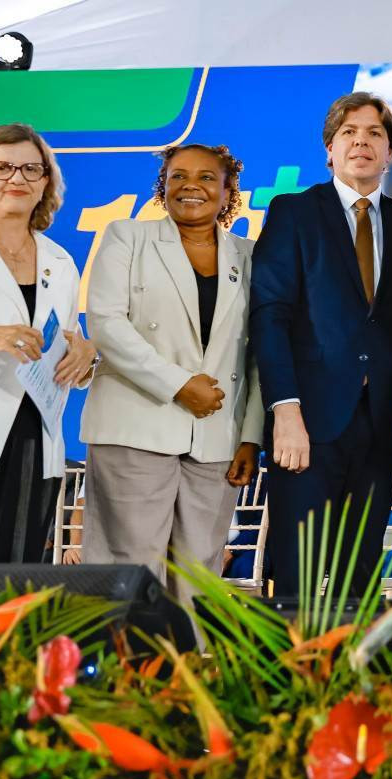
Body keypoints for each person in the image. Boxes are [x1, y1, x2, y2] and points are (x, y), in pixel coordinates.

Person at [250, 93, 392, 598]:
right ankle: (290, 675)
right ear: (329, 149)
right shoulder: (294, 212)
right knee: (297, 577)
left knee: (359, 576)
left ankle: (350, 675)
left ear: (390, 152)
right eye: (349, 132)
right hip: (305, 424)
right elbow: (270, 315)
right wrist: (285, 410)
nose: (361, 142)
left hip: (381, 427)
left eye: (374, 134)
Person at [81, 144, 263, 608]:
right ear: (163, 186)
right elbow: (106, 324)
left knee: (200, 571)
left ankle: (190, 673)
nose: (190, 187)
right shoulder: (127, 237)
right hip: (135, 423)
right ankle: (122, 674)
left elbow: (265, 350)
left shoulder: (253, 255)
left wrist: (251, 435)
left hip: (217, 436)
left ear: (228, 192)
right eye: (178, 176)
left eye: (206, 178)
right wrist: (179, 385)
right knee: (131, 564)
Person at [0, 123, 97, 563]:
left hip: (36, 440)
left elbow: (62, 340)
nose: (16, 179)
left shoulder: (61, 260)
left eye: (30, 170)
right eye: (2, 167)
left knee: (12, 577)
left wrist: (85, 355)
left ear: (45, 185)